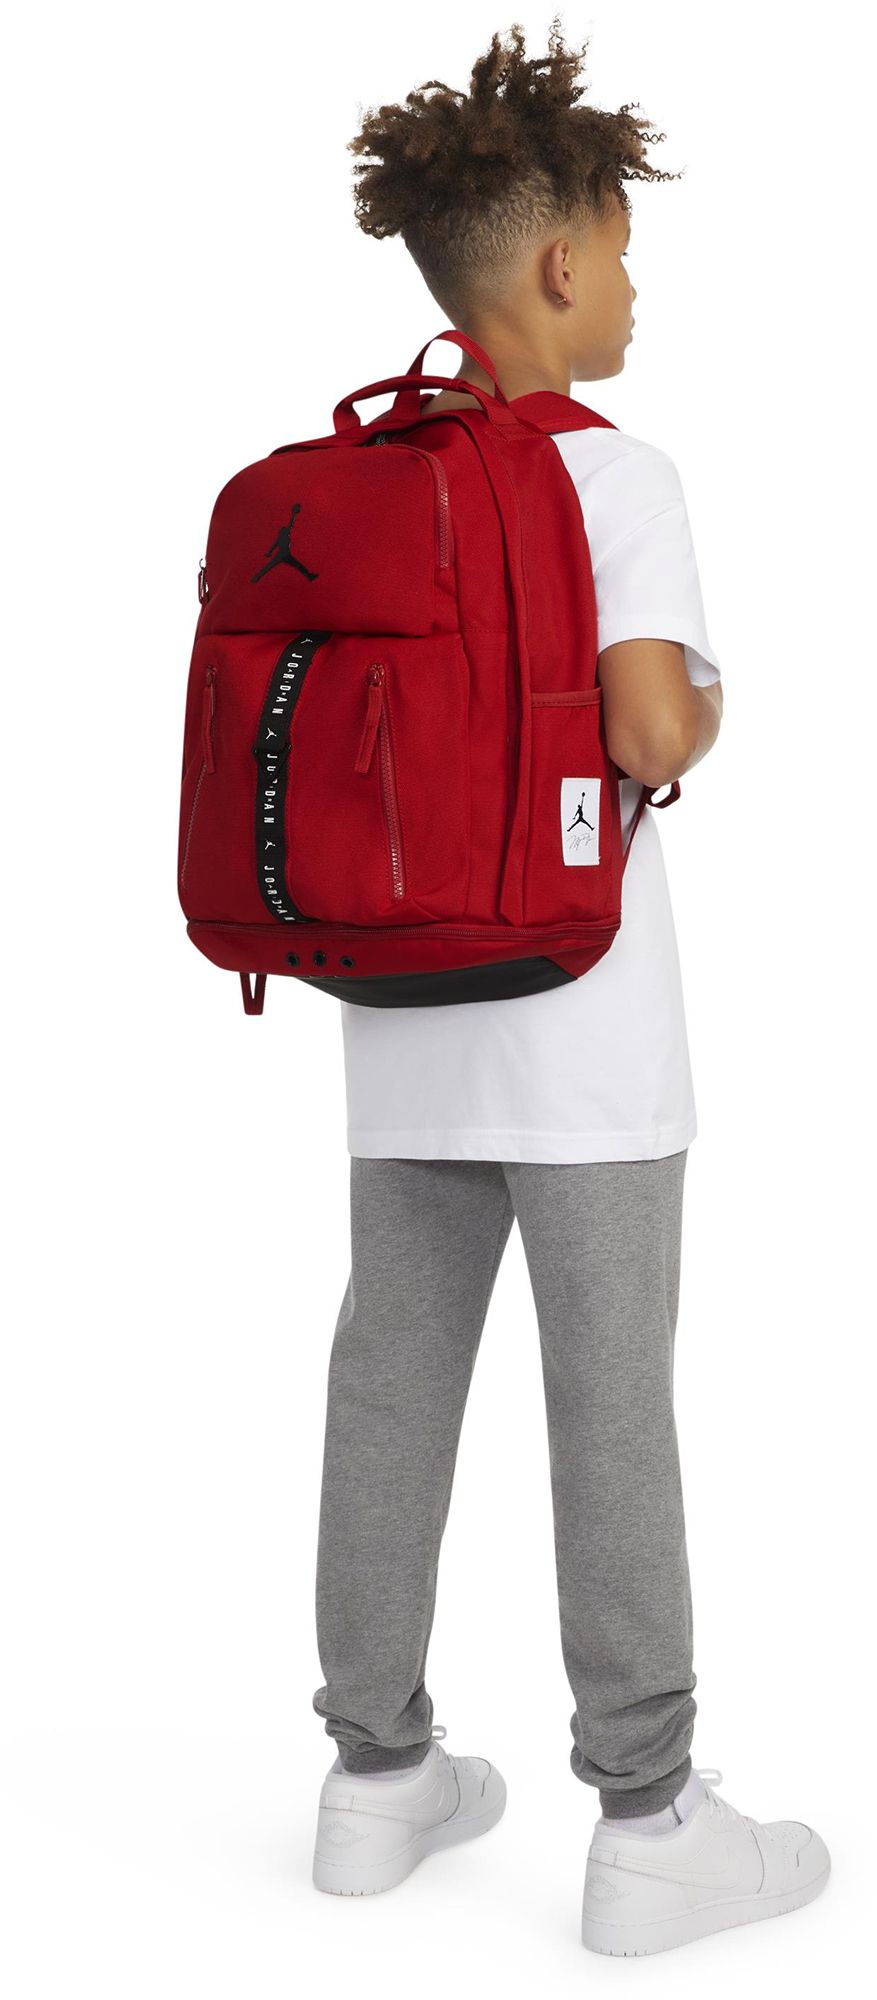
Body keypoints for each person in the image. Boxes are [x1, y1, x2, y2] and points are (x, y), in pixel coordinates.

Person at [310, 20, 830, 1953]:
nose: (628, 287)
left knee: (388, 1385)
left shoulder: (371, 470)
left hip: (400, 1016)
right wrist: (711, 697)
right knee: (609, 1403)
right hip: (583, 1020)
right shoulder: (616, 472)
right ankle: (650, 1816)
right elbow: (650, 727)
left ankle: (373, 1777)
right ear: (553, 261)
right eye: (619, 252)